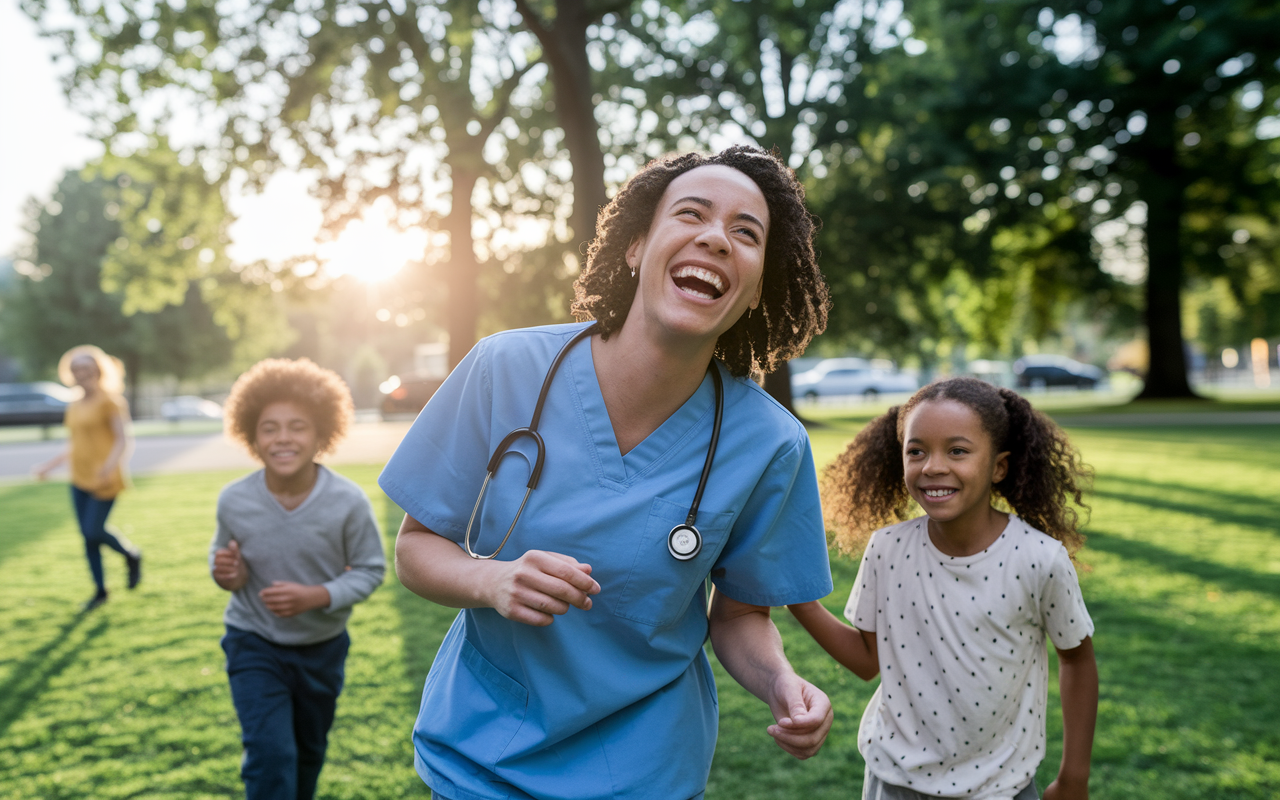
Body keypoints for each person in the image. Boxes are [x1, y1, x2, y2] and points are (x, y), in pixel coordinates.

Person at [379, 145, 835, 800]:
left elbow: (739, 617)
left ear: (759, 286)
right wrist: (491, 578)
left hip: (647, 773)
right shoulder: (502, 369)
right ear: (635, 246)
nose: (715, 238)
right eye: (692, 215)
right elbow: (416, 547)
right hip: (482, 759)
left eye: (746, 232)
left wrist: (780, 684)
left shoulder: (770, 444)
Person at [788, 377, 1098, 800]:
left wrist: (1075, 777)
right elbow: (866, 661)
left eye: (957, 450)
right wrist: (797, 599)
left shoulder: (1039, 559)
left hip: (999, 788)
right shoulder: (888, 549)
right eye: (916, 451)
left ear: (999, 466)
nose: (933, 466)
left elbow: (1077, 661)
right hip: (891, 781)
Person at [209, 358, 386, 800]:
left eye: (297, 426)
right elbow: (226, 566)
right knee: (270, 756)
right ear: (251, 434)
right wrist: (228, 575)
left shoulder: (347, 502)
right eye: (269, 427)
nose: (283, 438)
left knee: (308, 753)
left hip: (321, 649)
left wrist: (317, 595)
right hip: (253, 641)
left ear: (322, 434)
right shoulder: (234, 500)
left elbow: (371, 570)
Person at [33, 345, 142, 611]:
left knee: (94, 529)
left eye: (86, 368)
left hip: (105, 477)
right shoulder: (74, 404)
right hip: (79, 478)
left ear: (97, 370)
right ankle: (100, 591)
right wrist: (50, 466)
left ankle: (130, 555)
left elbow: (122, 439)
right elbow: (75, 445)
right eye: (76, 369)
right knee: (87, 536)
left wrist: (109, 466)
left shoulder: (111, 401)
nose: (81, 374)